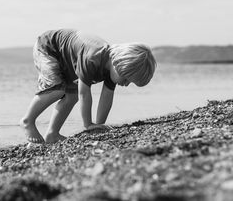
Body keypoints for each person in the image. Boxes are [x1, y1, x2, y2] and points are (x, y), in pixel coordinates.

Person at [20, 29, 157, 143]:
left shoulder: (112, 69)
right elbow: (84, 93)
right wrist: (87, 125)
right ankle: (28, 121)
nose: (126, 84)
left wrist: (97, 126)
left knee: (71, 97)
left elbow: (106, 97)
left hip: (69, 61)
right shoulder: (93, 57)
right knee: (56, 89)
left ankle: (52, 134)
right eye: (127, 79)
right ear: (118, 65)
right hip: (49, 48)